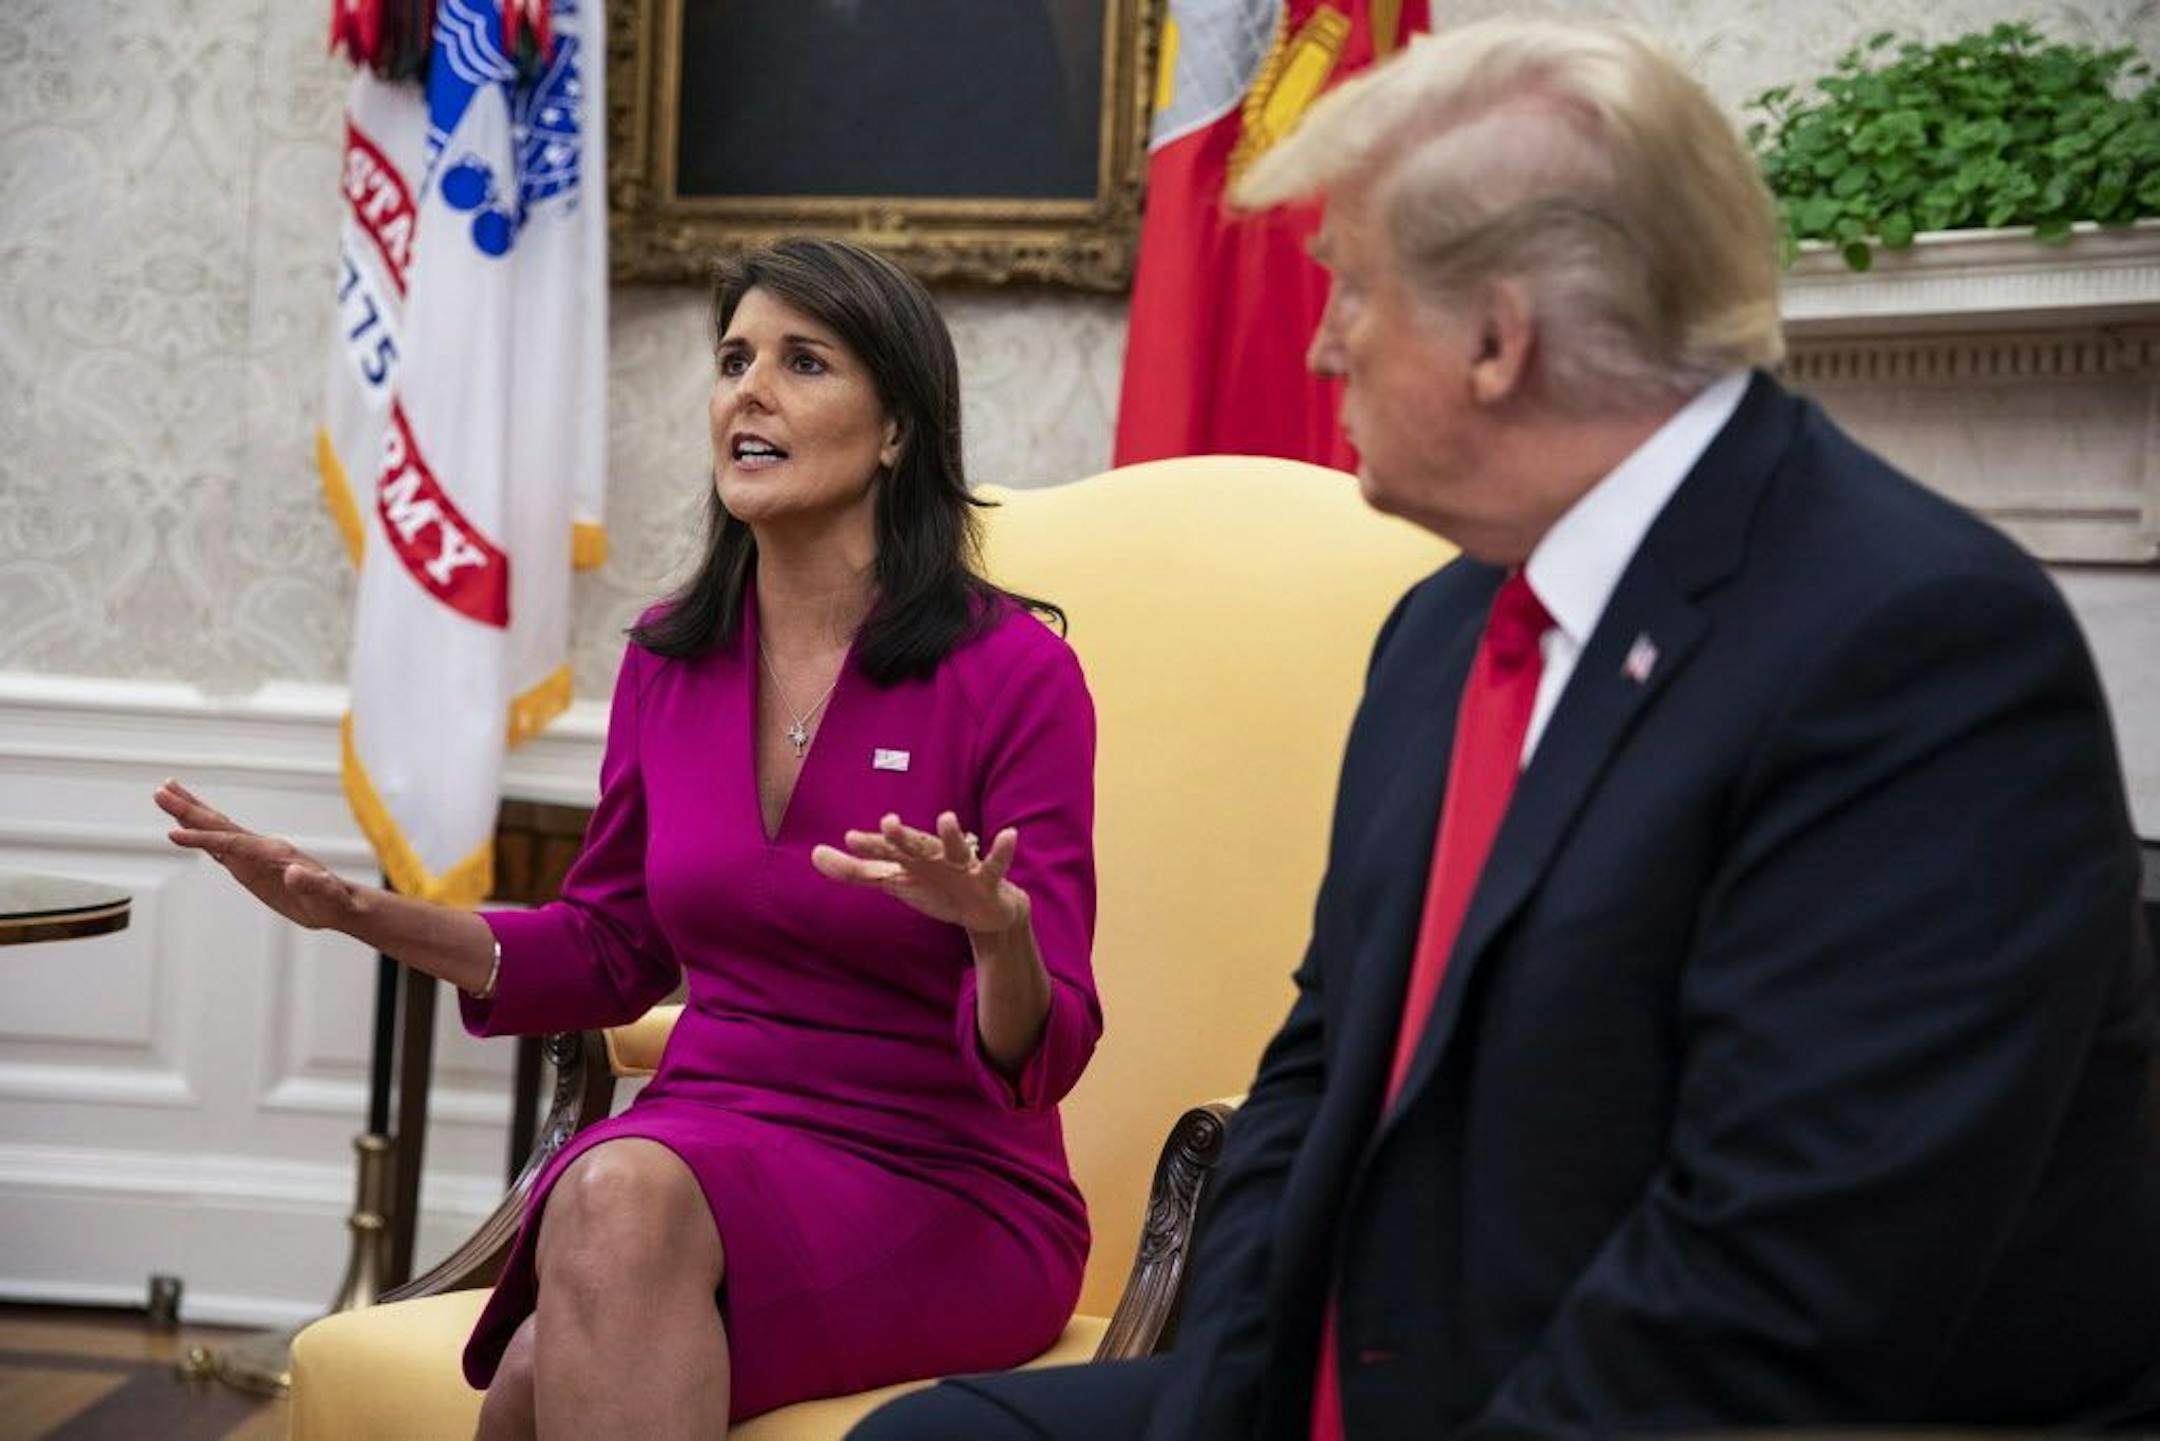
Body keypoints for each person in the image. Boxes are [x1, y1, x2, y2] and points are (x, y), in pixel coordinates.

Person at [855, 18, 2160, 1439]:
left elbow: (1779, 1288)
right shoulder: (1443, 627)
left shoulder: (1918, 651)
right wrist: (1220, 1408)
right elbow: (1314, 1073)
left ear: (1497, 338)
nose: (1320, 341)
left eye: (1352, 289)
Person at [156, 237, 1102, 1437]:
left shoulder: (1016, 675)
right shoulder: (670, 659)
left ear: (898, 430)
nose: (747, 392)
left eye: (802, 363)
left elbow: (1049, 1044)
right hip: (702, 1149)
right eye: (733, 359)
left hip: (946, 1183)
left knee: (560, 1336)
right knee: (593, 1263)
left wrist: (997, 933)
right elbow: (610, 950)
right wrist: (360, 912)